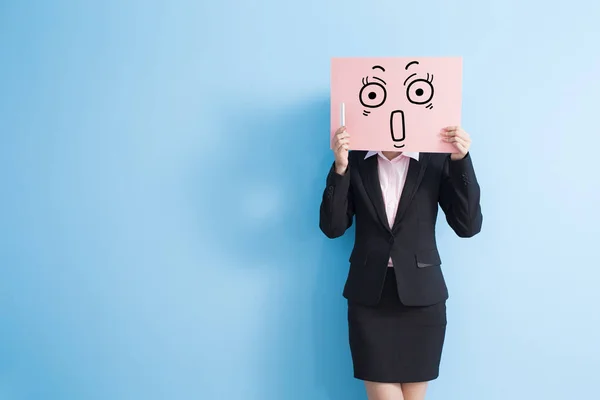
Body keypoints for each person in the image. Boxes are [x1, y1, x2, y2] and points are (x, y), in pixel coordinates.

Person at [319, 125, 483, 400]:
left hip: (422, 298)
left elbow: (467, 225)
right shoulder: (354, 158)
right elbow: (333, 227)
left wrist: (460, 161)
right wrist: (340, 166)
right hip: (370, 297)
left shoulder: (435, 157)